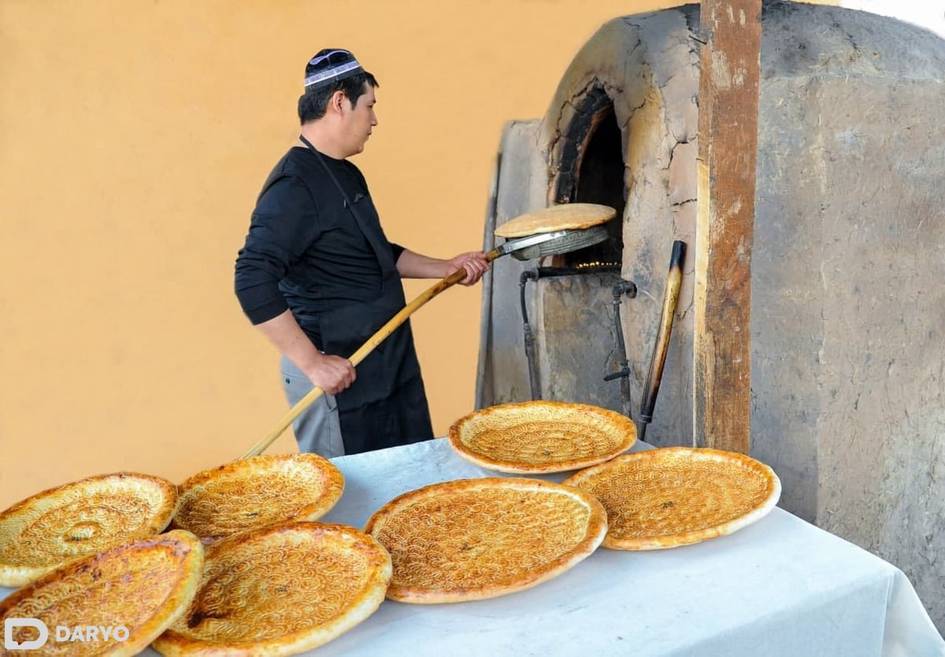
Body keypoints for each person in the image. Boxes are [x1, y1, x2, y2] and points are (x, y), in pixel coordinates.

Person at [234, 48, 488, 457]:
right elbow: (251, 279)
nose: (374, 120)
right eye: (369, 106)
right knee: (351, 500)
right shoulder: (293, 186)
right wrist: (314, 364)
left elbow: (373, 252)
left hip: (385, 362)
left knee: (403, 484)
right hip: (339, 375)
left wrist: (446, 267)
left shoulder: (345, 172)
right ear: (339, 102)